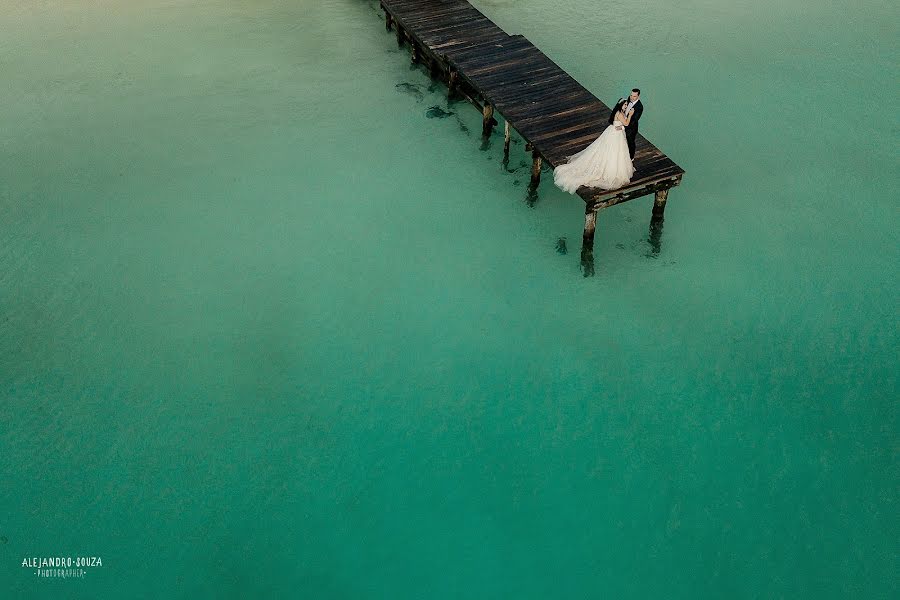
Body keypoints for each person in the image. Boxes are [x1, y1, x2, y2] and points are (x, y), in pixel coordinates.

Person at [552, 98, 635, 193]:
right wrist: (630, 115)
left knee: (615, 151)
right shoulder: (619, 113)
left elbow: (618, 125)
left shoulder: (619, 112)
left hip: (615, 132)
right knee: (614, 151)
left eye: (626, 104)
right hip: (615, 135)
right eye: (624, 104)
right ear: (620, 105)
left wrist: (621, 125)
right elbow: (626, 123)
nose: (626, 106)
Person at [620, 88, 643, 160]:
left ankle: (631, 157)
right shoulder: (629, 99)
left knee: (630, 142)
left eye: (634, 96)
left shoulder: (639, 107)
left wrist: (624, 127)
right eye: (631, 95)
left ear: (638, 97)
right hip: (623, 122)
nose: (632, 98)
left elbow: (634, 121)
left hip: (631, 129)